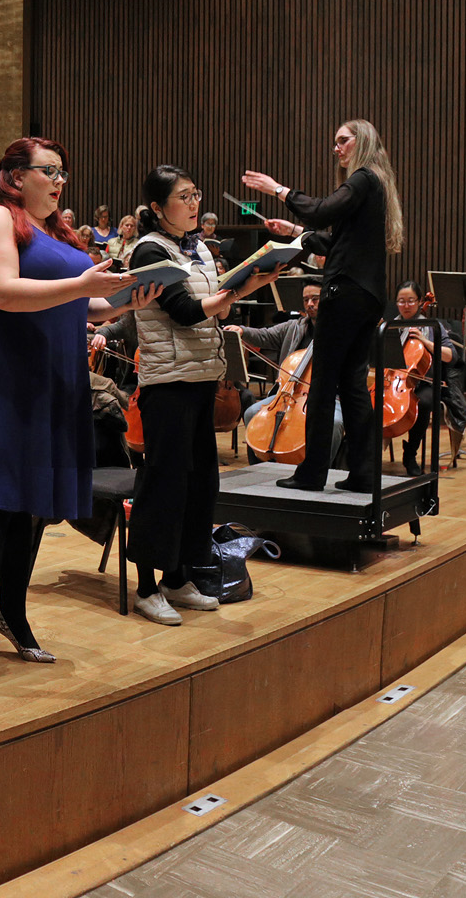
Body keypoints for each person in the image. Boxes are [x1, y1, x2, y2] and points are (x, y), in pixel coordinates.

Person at [0, 137, 155, 692]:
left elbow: (80, 303)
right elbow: (4, 292)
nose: (59, 180)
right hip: (4, 374)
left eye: (63, 172)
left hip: (52, 375)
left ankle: (12, 617)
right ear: (15, 177)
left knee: (32, 505)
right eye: (49, 171)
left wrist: (122, 301)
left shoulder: (56, 231)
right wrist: (85, 284)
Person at [127, 166, 279, 626]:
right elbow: (186, 312)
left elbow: (213, 308)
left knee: (200, 486)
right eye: (183, 196)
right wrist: (235, 288)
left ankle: (178, 577)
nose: (194, 203)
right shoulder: (148, 250)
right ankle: (147, 587)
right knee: (165, 485)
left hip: (200, 380)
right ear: (158, 208)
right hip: (167, 383)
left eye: (196, 194)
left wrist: (246, 285)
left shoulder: (196, 250)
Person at [243, 117, 404, 492]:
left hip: (344, 293)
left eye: (342, 141)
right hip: (366, 295)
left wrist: (276, 188)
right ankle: (364, 474)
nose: (336, 148)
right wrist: (296, 232)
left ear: (361, 141)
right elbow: (338, 245)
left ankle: (311, 472)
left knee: (321, 384)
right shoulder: (376, 186)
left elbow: (320, 210)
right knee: (351, 385)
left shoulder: (363, 178)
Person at [224, 279, 342, 464]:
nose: (310, 304)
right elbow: (265, 335)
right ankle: (260, 468)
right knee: (251, 413)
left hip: (330, 396)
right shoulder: (294, 327)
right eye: (306, 300)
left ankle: (323, 469)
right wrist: (242, 330)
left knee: (333, 424)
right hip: (289, 395)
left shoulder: (341, 330)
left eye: (315, 299)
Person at [389, 281, 466, 474]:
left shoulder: (433, 327)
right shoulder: (390, 327)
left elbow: (451, 356)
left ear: (419, 302)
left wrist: (425, 341)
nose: (406, 306)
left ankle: (411, 453)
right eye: (401, 301)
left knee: (422, 403)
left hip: (424, 383)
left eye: (410, 301)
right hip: (394, 382)